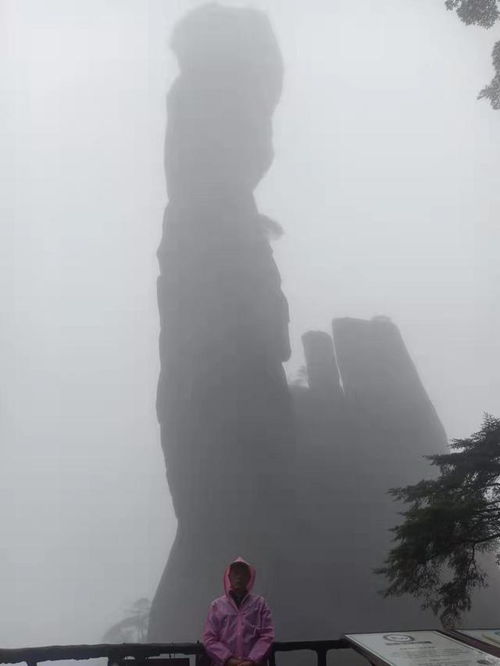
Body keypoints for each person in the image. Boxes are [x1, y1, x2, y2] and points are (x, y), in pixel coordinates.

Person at [203, 557, 275, 666]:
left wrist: (252, 660)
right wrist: (228, 659)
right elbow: (209, 638)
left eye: (243, 573)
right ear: (229, 577)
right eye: (235, 573)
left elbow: (267, 635)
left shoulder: (260, 604)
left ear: (249, 578)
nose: (239, 577)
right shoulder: (217, 605)